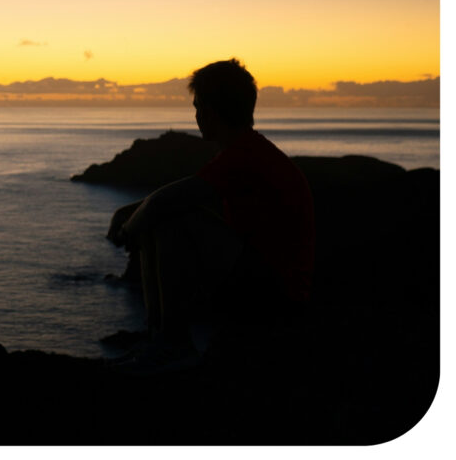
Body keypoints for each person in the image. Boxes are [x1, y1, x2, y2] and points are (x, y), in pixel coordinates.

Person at [113, 58, 315, 369]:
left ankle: (172, 343)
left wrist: (129, 229)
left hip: (275, 293)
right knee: (166, 216)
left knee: (171, 220)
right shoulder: (246, 151)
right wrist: (134, 211)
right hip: (259, 278)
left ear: (210, 109)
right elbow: (176, 196)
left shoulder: (245, 156)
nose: (195, 116)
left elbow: (164, 203)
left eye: (197, 107)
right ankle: (158, 339)